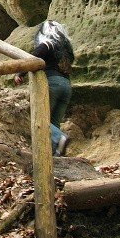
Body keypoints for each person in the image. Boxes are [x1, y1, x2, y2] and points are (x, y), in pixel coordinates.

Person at [16, 20, 74, 156]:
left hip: (52, 83)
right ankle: (55, 154)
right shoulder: (66, 50)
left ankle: (60, 137)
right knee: (54, 122)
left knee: (40, 118)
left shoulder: (48, 44)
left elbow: (33, 58)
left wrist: (20, 73)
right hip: (66, 86)